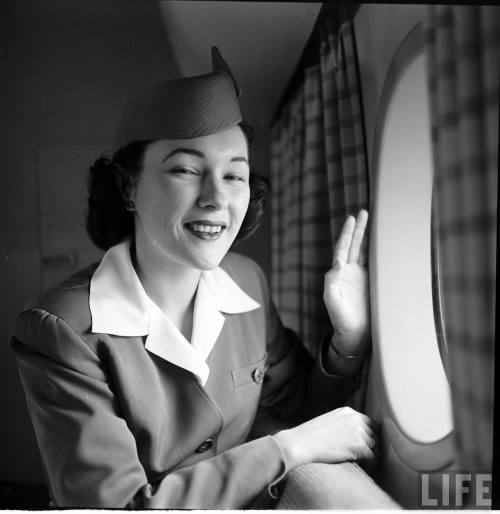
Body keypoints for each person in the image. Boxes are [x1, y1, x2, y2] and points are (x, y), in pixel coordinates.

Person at [11, 48, 377, 509]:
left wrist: (348, 339)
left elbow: (300, 410)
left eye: (235, 175)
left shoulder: (247, 281)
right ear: (128, 187)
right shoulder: (60, 329)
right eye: (186, 170)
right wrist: (286, 450)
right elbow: (115, 505)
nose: (216, 198)